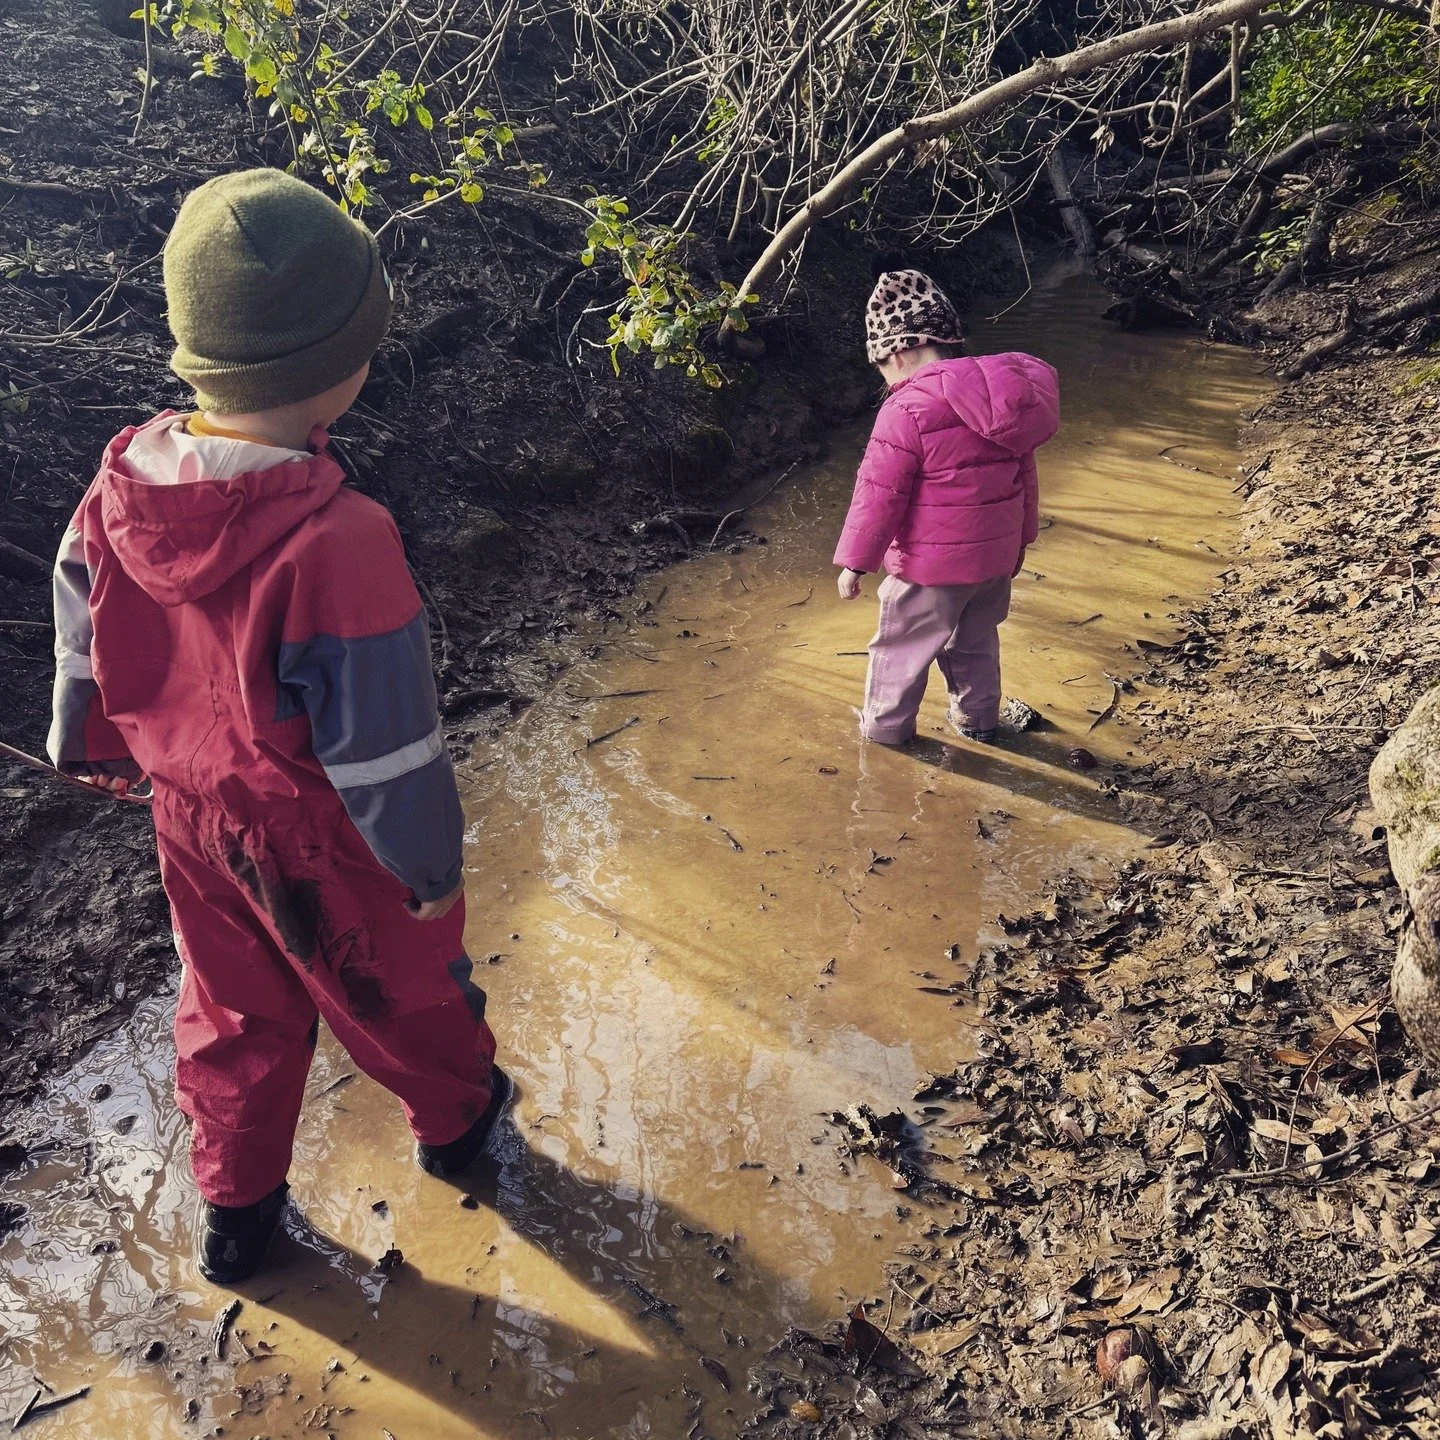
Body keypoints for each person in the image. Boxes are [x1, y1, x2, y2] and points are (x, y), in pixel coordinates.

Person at [46, 169, 512, 1287]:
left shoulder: (121, 484)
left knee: (231, 1010)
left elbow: (80, 631)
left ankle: (236, 1218)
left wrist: (86, 744)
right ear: (334, 374)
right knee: (397, 989)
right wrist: (431, 869)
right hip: (318, 834)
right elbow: (386, 750)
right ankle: (459, 1128)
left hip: (191, 822)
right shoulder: (341, 538)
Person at [834, 260, 1059, 745]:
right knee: (975, 642)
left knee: (901, 649)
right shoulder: (1005, 395)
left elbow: (878, 495)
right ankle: (978, 722)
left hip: (929, 568)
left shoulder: (905, 408)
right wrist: (1020, 542)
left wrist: (856, 563)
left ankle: (885, 736)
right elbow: (1025, 476)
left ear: (896, 352)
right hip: (994, 561)